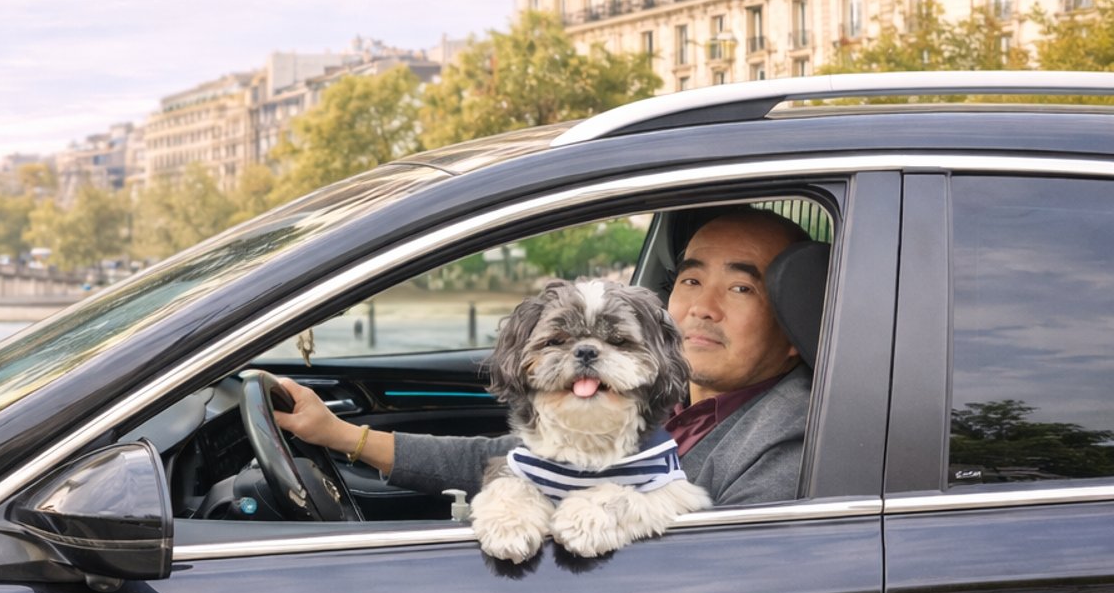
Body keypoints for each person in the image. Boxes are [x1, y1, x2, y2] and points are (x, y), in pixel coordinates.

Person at [274, 207, 812, 507]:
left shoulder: (788, 438)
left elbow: (731, 575)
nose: (701, 308)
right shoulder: (660, 399)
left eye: (741, 290)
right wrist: (340, 435)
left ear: (795, 320)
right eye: (691, 279)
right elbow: (512, 458)